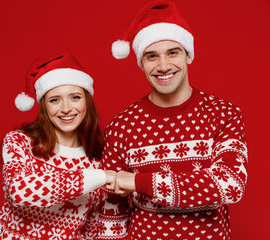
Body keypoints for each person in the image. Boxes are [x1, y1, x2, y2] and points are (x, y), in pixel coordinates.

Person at [98, 1, 248, 240]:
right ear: (142, 63)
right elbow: (111, 210)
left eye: (172, 52)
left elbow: (230, 183)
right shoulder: (121, 126)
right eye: (151, 56)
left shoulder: (223, 114)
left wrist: (138, 182)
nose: (163, 66)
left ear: (188, 55)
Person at [0, 51, 116, 240]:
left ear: (87, 101)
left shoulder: (99, 161)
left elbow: (92, 231)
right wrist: (102, 177)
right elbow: (20, 190)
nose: (66, 108)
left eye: (75, 97)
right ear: (44, 106)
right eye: (54, 100)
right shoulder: (19, 142)